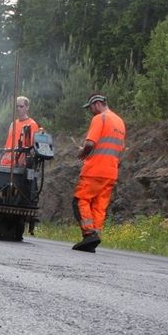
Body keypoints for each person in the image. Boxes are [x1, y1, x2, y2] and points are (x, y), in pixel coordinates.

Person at [72, 94, 126, 252]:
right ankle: (94, 235)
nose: (90, 111)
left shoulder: (100, 118)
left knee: (80, 200)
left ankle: (88, 233)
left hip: (95, 169)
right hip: (111, 172)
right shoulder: (120, 122)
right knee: (99, 205)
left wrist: (83, 153)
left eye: (90, 108)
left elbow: (90, 143)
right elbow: (119, 148)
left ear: (97, 104)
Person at [0, 96, 39, 167]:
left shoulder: (32, 124)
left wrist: (19, 165)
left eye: (21, 106)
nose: (18, 108)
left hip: (17, 165)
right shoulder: (13, 124)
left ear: (27, 107)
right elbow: (8, 144)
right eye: (17, 106)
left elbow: (30, 148)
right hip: (5, 163)